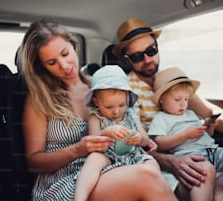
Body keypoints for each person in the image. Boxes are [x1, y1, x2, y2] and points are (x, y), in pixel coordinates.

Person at [112, 17, 223, 200]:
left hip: (203, 155)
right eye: (137, 56)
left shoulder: (170, 79)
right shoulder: (126, 91)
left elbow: (208, 111)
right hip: (165, 168)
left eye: (151, 50)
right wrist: (171, 161)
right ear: (127, 60)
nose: (147, 59)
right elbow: (132, 145)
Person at [21, 19, 178, 201]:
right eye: (51, 62)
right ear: (42, 66)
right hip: (64, 181)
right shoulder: (39, 98)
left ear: (73, 45)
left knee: (155, 172)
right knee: (147, 177)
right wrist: (77, 150)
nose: (64, 65)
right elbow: (34, 163)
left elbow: (133, 128)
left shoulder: (101, 86)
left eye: (65, 54)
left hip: (111, 166)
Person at [148, 67, 223, 201]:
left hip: (213, 151)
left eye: (186, 99)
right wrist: (184, 135)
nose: (183, 104)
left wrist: (208, 129)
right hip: (192, 156)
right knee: (205, 173)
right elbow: (159, 143)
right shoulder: (161, 118)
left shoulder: (190, 114)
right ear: (162, 99)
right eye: (177, 99)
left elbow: (204, 137)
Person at [74, 65, 161, 201]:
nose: (116, 111)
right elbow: (93, 141)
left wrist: (138, 139)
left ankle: (155, 192)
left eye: (121, 105)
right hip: (107, 156)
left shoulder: (131, 114)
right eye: (108, 107)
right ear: (96, 101)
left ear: (127, 97)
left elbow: (145, 140)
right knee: (93, 160)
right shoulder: (95, 116)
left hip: (133, 154)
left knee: (152, 164)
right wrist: (106, 132)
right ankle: (80, 197)